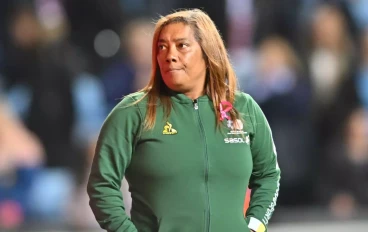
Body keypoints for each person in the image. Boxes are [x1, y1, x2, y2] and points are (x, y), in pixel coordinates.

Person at [87, 8, 281, 232]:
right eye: (162, 46)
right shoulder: (133, 112)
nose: (169, 55)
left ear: (208, 51)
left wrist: (255, 226)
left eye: (182, 45)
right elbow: (102, 185)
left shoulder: (243, 108)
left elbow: (268, 175)